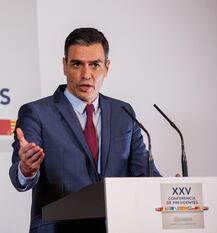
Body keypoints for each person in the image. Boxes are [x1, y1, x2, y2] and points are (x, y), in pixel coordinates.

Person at [9, 27, 161, 233]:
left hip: (118, 227)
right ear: (64, 66)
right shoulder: (36, 113)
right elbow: (20, 175)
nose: (86, 74)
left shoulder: (123, 112)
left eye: (95, 65)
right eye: (77, 64)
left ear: (107, 67)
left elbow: (144, 172)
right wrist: (26, 170)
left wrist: (169, 191)